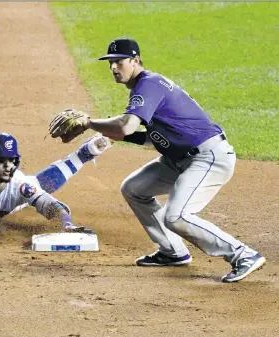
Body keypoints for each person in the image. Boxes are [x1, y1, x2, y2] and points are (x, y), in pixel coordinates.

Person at [50, 37, 265, 283]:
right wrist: (112, 134)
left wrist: (89, 123)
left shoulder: (148, 85)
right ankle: (172, 251)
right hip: (179, 159)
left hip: (208, 157)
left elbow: (126, 126)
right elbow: (150, 138)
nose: (113, 68)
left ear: (135, 60)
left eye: (119, 62)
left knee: (177, 216)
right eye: (110, 63)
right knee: (134, 188)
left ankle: (242, 254)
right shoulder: (145, 88)